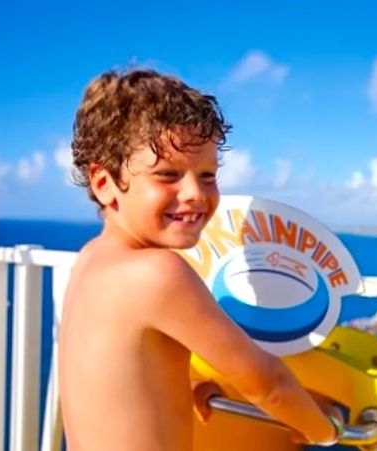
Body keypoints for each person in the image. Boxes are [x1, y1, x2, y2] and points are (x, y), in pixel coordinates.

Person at [58, 68, 343, 451]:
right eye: (167, 175)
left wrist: (182, 382)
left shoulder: (91, 259)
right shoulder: (159, 274)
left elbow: (109, 371)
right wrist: (324, 430)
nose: (194, 192)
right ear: (104, 183)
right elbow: (267, 382)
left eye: (207, 175)